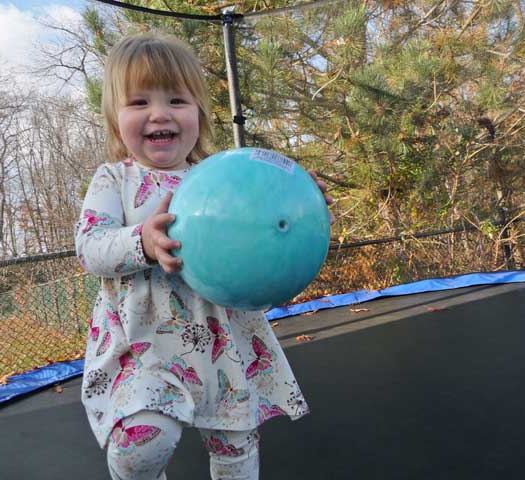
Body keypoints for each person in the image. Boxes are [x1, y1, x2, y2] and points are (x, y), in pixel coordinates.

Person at [75, 31, 334, 480]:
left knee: (235, 446)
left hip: (221, 337)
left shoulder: (219, 176)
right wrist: (144, 242)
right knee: (142, 446)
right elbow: (90, 248)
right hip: (145, 343)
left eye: (177, 100)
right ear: (115, 119)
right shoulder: (115, 178)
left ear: (199, 113)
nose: (160, 113)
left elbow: (262, 217)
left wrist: (296, 201)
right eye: (139, 103)